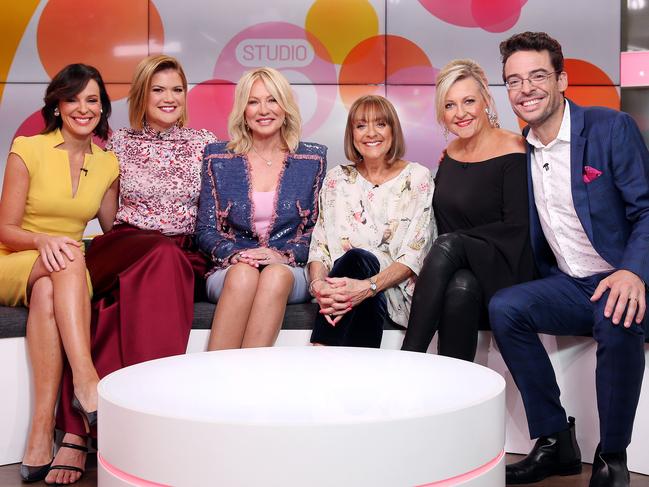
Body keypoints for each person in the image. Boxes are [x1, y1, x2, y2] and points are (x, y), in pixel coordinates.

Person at [489, 32, 649, 486]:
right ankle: (555, 440)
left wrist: (633, 271)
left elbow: (646, 209)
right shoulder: (524, 146)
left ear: (562, 80)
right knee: (506, 307)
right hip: (571, 283)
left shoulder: (609, 128)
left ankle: (612, 456)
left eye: (538, 76)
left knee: (618, 313)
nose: (526, 89)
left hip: (622, 275)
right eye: (514, 81)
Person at [52, 55, 217, 485]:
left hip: (183, 252)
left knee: (119, 298)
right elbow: (108, 216)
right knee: (154, 254)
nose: (169, 98)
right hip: (127, 241)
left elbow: (215, 214)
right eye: (158, 89)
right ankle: (148, 416)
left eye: (177, 89)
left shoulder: (206, 142)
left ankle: (79, 427)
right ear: (142, 96)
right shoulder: (117, 144)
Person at [0, 64, 118, 484]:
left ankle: (38, 432)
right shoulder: (27, 148)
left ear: (102, 107)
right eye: (73, 99)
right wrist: (43, 240)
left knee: (54, 284)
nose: (83, 108)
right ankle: (86, 380)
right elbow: (6, 229)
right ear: (57, 104)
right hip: (16, 257)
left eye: (92, 99)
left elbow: (111, 230)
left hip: (63, 273)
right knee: (67, 255)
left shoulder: (108, 164)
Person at [401, 59, 534, 361]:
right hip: (460, 271)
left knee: (449, 244)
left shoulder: (514, 148)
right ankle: (457, 392)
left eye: (469, 101)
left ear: (486, 99)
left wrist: (458, 246)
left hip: (506, 263)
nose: (460, 114)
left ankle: (408, 359)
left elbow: (518, 228)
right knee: (460, 286)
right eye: (450, 106)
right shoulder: (450, 154)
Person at [196, 67, 326, 350]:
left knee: (275, 275)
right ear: (243, 109)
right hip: (230, 269)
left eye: (272, 100)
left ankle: (251, 379)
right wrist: (238, 255)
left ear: (285, 106)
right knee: (244, 274)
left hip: (290, 270)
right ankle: (214, 378)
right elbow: (205, 230)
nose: (263, 110)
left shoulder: (313, 158)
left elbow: (317, 229)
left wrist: (280, 254)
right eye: (253, 101)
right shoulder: (218, 157)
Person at [308, 95, 435, 347]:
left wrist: (367, 286)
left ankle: (320, 350)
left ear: (392, 130)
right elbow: (319, 247)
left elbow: (414, 255)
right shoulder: (337, 179)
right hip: (342, 288)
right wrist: (319, 285)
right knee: (355, 270)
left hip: (393, 289)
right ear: (352, 134)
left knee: (359, 261)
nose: (370, 133)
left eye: (380, 124)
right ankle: (361, 379)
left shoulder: (417, 178)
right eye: (361, 125)